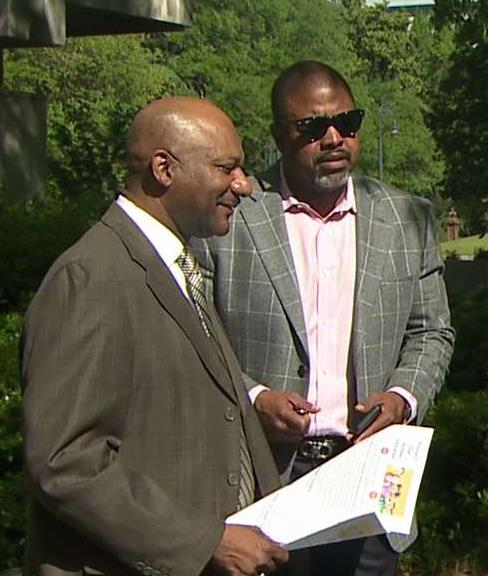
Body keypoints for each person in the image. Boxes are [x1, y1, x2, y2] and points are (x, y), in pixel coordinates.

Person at [193, 60, 455, 576]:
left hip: (367, 484)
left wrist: (403, 398)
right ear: (277, 135)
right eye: (313, 128)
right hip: (264, 481)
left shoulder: (407, 219)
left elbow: (432, 331)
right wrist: (252, 399)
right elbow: (195, 336)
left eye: (348, 123)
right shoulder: (228, 220)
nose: (334, 138)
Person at [21, 97, 289, 576]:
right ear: (163, 168)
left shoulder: (178, 267)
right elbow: (65, 463)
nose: (243, 186)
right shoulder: (91, 278)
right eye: (226, 168)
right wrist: (205, 542)